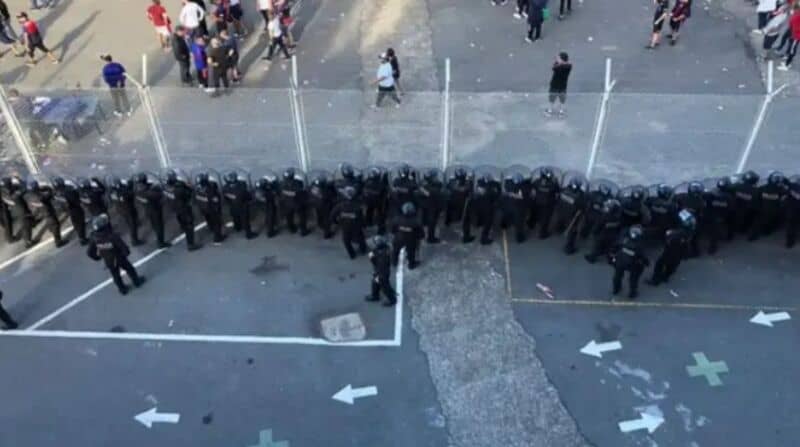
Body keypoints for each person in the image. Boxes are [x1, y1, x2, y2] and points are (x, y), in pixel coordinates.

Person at [87, 214, 146, 296]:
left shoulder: (94, 237)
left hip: (108, 260)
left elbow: (89, 252)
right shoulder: (112, 236)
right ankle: (137, 282)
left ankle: (122, 289)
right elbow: (123, 247)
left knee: (115, 275)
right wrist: (126, 254)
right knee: (129, 269)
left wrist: (97, 257)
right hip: (119, 257)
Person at [648, 210, 694, 286]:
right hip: (679, 254)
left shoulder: (675, 233)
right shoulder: (689, 232)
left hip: (670, 252)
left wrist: (669, 234)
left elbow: (668, 239)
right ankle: (665, 277)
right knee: (672, 266)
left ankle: (655, 280)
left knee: (659, 264)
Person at [164, 170, 201, 251]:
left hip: (174, 207)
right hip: (184, 208)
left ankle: (183, 228)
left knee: (181, 220)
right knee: (189, 226)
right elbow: (189, 193)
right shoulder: (179, 189)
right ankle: (191, 244)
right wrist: (188, 186)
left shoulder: (166, 187)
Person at [610, 225, 649, 299]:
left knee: (617, 276)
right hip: (633, 265)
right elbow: (643, 257)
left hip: (620, 262)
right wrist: (646, 263)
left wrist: (612, 257)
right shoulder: (639, 245)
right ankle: (632, 293)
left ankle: (616, 289)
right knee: (633, 279)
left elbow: (614, 247)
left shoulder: (623, 240)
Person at [329, 186, 368, 259]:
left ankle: (351, 254)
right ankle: (363, 250)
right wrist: (363, 225)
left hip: (345, 226)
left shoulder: (340, 206)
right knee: (360, 239)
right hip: (356, 226)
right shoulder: (358, 205)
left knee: (346, 241)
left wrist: (337, 222)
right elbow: (362, 217)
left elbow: (332, 216)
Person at [26, 179, 67, 247]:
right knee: (56, 225)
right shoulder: (38, 194)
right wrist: (49, 192)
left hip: (44, 212)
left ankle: (51, 230)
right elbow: (44, 198)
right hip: (47, 212)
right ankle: (58, 242)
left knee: (51, 223)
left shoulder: (31, 194)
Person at [135, 173, 171, 248]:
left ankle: (159, 240)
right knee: (159, 227)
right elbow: (157, 195)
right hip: (155, 210)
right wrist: (158, 188)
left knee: (155, 226)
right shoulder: (148, 192)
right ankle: (161, 243)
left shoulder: (137, 190)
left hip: (147, 210)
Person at [463, 173, 501, 244]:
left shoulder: (478, 184)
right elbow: (497, 196)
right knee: (488, 222)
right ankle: (484, 239)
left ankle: (466, 237)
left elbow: (471, 191)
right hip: (485, 205)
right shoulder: (492, 188)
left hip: (473, 203)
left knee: (467, 220)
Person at [748, 171, 786, 241]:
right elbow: (783, 200)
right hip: (774, 211)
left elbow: (756, 198)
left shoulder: (763, 188)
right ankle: (766, 232)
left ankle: (752, 237)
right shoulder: (781, 190)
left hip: (763, 209)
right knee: (770, 223)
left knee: (757, 224)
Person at [109, 176, 144, 246]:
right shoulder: (123, 192)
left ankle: (136, 224)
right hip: (128, 210)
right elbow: (131, 193)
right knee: (132, 225)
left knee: (130, 220)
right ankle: (134, 240)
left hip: (120, 209)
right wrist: (130, 184)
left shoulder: (112, 192)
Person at [585, 199, 623, 264]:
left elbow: (598, 225)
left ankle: (592, 258)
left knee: (597, 246)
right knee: (609, 248)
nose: (606, 207)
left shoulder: (604, 216)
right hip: (612, 235)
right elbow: (619, 226)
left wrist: (594, 232)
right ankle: (611, 260)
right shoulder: (618, 216)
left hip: (602, 234)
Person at [53, 177, 89, 245]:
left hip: (69, 210)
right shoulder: (68, 189)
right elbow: (76, 196)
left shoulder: (57, 192)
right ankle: (82, 239)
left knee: (76, 224)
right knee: (80, 223)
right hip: (75, 208)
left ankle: (81, 237)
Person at [705, 176, 736, 254]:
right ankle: (729, 237)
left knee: (712, 233)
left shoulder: (711, 194)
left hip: (710, 216)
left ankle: (712, 248)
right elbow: (731, 209)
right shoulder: (729, 197)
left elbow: (706, 204)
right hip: (721, 217)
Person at [555, 178, 586, 254]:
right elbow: (583, 206)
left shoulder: (564, 189)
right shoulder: (581, 195)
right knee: (572, 231)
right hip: (571, 215)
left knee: (561, 223)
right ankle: (569, 248)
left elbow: (559, 198)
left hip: (563, 212)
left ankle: (558, 230)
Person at [223, 171, 257, 239]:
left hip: (233, 205)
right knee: (245, 220)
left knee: (236, 218)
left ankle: (238, 228)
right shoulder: (241, 185)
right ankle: (249, 234)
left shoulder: (225, 187)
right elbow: (246, 195)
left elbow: (225, 197)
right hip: (242, 205)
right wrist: (250, 200)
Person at [1, 176, 34, 247]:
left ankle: (24, 238)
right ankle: (28, 241)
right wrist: (19, 179)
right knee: (25, 224)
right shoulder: (15, 194)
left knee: (8, 222)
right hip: (19, 210)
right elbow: (24, 188)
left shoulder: (3, 192)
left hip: (13, 211)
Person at [194, 172, 225, 243]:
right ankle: (217, 238)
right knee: (217, 223)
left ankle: (211, 229)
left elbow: (195, 198)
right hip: (211, 209)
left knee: (209, 220)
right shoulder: (210, 188)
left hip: (203, 208)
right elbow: (215, 199)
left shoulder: (196, 188)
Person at [365, 236, 397, 307]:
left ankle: (392, 300)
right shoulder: (384, 249)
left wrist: (371, 257)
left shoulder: (382, 255)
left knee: (384, 287)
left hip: (382, 273)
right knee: (375, 282)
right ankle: (375, 295)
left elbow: (377, 264)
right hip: (382, 271)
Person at [529, 168, 560, 239]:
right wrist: (556, 182)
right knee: (545, 220)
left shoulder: (537, 181)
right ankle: (542, 234)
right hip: (548, 205)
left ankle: (531, 225)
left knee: (534, 214)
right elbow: (558, 191)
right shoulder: (553, 184)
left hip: (537, 202)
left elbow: (533, 188)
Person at [417, 169, 446, 244]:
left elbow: (427, 193)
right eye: (434, 177)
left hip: (428, 206)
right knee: (431, 223)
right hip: (431, 207)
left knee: (428, 222)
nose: (436, 178)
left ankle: (425, 236)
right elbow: (431, 194)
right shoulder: (432, 186)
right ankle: (430, 238)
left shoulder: (429, 185)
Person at [500, 173, 531, 243]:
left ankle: (504, 226)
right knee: (519, 223)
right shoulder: (524, 186)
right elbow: (522, 197)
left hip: (510, 205)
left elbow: (506, 192)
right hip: (518, 207)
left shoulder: (509, 184)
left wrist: (511, 194)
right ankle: (519, 238)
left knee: (508, 216)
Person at [391, 202, 423, 269]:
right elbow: (420, 233)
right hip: (410, 240)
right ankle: (411, 265)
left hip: (398, 238)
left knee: (395, 251)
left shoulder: (397, 218)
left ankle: (394, 262)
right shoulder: (415, 221)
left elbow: (393, 229)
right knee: (411, 252)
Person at [278, 168, 310, 236]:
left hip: (287, 203)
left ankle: (291, 229)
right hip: (296, 203)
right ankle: (303, 231)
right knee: (302, 217)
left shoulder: (281, 183)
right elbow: (300, 191)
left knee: (289, 217)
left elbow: (280, 191)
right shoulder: (298, 182)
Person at [309, 173, 336, 239]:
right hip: (325, 206)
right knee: (327, 219)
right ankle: (327, 234)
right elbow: (332, 195)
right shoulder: (326, 190)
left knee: (319, 215)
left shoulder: (313, 187)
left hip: (316, 204)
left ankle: (320, 225)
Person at [363, 167, 389, 234]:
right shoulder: (380, 183)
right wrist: (385, 177)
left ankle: (368, 222)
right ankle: (381, 230)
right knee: (380, 215)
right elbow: (385, 189)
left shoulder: (367, 181)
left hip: (368, 202)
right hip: (378, 202)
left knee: (369, 211)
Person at [545, 52, 572, 117]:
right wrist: (559, 62)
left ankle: (560, 111)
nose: (557, 59)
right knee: (552, 98)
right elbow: (553, 67)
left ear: (562, 59)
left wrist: (560, 63)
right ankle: (551, 110)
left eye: (559, 58)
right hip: (559, 84)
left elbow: (556, 68)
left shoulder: (566, 66)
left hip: (558, 85)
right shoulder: (563, 65)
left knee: (561, 98)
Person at [777, 4, 800, 71]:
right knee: (791, 48)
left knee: (792, 50)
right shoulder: (796, 14)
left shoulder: (798, 15)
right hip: (793, 33)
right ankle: (787, 62)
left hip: (797, 35)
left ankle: (787, 65)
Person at [785, 175, 800, 248]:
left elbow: (786, 184)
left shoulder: (792, 187)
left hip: (791, 210)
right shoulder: (792, 187)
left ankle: (789, 242)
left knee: (791, 226)